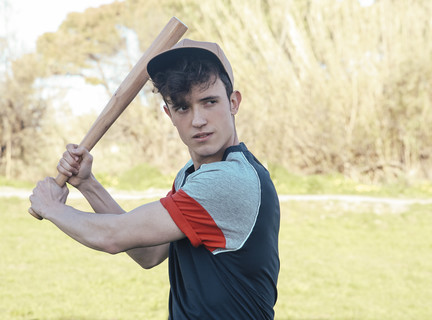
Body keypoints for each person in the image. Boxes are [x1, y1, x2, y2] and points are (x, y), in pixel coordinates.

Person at [29, 39, 280, 319]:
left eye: (209, 102)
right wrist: (88, 184)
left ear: (234, 102)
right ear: (168, 114)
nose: (198, 120)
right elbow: (148, 254)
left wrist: (51, 207)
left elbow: (112, 236)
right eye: (183, 107)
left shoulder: (230, 181)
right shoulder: (192, 175)